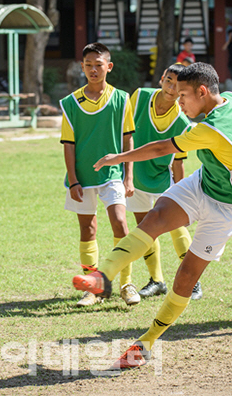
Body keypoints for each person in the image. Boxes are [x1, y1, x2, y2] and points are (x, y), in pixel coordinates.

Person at [73, 62, 232, 368]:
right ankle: (102, 275)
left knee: (187, 276)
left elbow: (160, 148)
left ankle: (146, 343)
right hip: (202, 183)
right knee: (156, 217)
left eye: (184, 97)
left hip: (228, 205)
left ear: (203, 92)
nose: (179, 104)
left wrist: (120, 157)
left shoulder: (209, 130)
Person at [60, 42, 139, 307]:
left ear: (109, 66)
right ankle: (92, 286)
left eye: (98, 64)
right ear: (82, 67)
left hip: (113, 174)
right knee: (88, 228)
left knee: (120, 223)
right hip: (82, 177)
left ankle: (126, 284)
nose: (93, 70)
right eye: (88, 65)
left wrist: (129, 176)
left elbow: (128, 140)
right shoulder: (70, 103)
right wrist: (72, 179)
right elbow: (68, 145)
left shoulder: (121, 99)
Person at [126, 63, 202, 300]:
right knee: (145, 230)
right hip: (135, 176)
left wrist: (181, 192)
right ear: (161, 79)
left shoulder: (182, 120)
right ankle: (156, 280)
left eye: (177, 85)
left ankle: (194, 282)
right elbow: (124, 132)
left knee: (177, 228)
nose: (171, 87)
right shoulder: (139, 97)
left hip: (162, 179)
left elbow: (178, 162)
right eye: (169, 80)